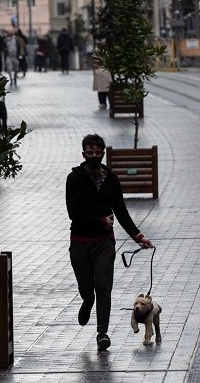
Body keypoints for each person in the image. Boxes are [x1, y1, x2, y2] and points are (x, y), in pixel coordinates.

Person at [65, 134, 154, 351]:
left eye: (97, 152)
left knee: (103, 287)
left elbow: (121, 211)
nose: (94, 156)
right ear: (83, 153)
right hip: (79, 242)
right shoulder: (74, 178)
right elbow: (73, 213)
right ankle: (87, 301)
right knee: (87, 287)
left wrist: (138, 236)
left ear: (103, 153)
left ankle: (102, 333)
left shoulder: (111, 179)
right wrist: (100, 220)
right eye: (90, 152)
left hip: (104, 243)